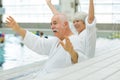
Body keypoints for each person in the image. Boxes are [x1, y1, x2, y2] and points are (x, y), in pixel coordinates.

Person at [6, 14, 87, 79]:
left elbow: (81, 61)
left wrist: (71, 51)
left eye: (55, 23)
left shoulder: (75, 40)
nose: (52, 26)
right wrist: (18, 29)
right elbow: (38, 42)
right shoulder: (56, 41)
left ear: (65, 24)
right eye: (51, 24)